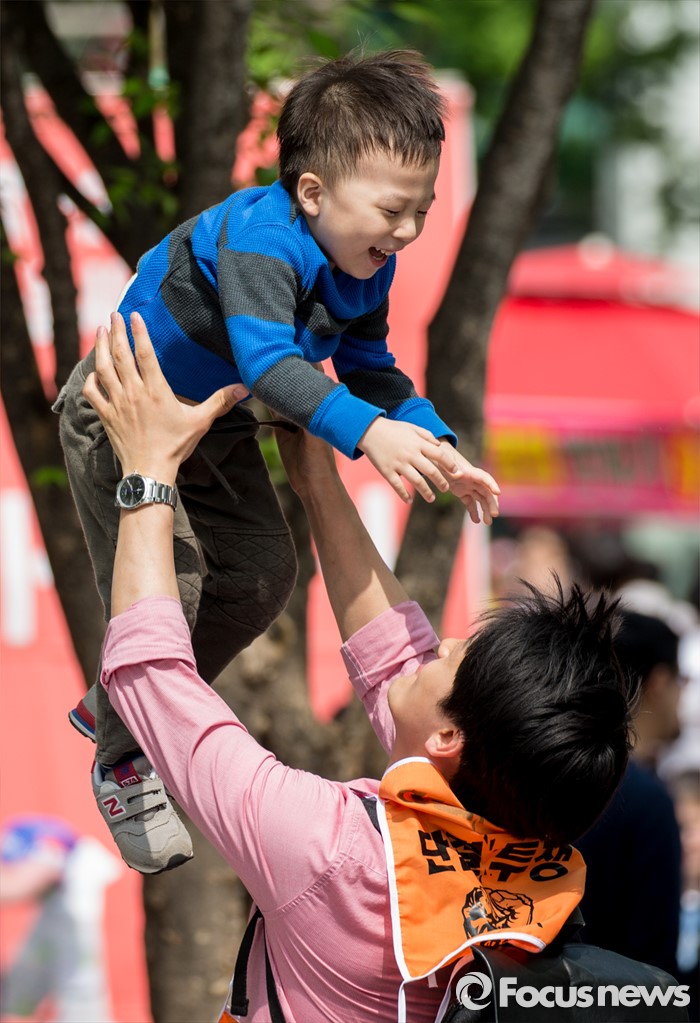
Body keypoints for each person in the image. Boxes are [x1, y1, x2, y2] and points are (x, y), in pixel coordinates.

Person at [81, 313, 635, 1022]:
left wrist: (148, 472)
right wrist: (317, 474)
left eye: (450, 657)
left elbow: (151, 680)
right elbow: (397, 660)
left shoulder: (328, 851)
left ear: (448, 737)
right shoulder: (528, 859)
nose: (434, 645)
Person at [53, 50, 500, 875]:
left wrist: (435, 442)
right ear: (314, 193)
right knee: (179, 584)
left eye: (422, 210)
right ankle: (124, 756)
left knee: (264, 575)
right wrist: (369, 435)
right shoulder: (264, 239)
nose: (406, 231)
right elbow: (269, 365)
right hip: (121, 413)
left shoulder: (369, 265)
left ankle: (114, 702)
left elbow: (370, 368)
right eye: (392, 209)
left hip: (210, 426)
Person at [577, 609, 684, 978]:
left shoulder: (554, 777)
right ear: (659, 681)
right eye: (681, 681)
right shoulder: (648, 803)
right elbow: (655, 963)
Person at [0, 816, 121, 1023]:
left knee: (80, 989)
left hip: (81, 901)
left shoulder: (32, 837)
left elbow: (23, 883)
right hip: (59, 907)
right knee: (23, 982)